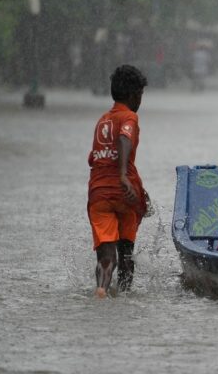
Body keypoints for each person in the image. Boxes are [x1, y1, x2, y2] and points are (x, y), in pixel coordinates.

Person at [87, 65, 148, 298]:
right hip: (126, 195)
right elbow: (124, 138)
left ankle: (102, 287)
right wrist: (122, 175)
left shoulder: (102, 121)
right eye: (140, 96)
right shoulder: (129, 117)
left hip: (99, 195)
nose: (140, 101)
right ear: (133, 95)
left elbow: (93, 158)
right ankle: (123, 297)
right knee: (126, 255)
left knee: (106, 256)